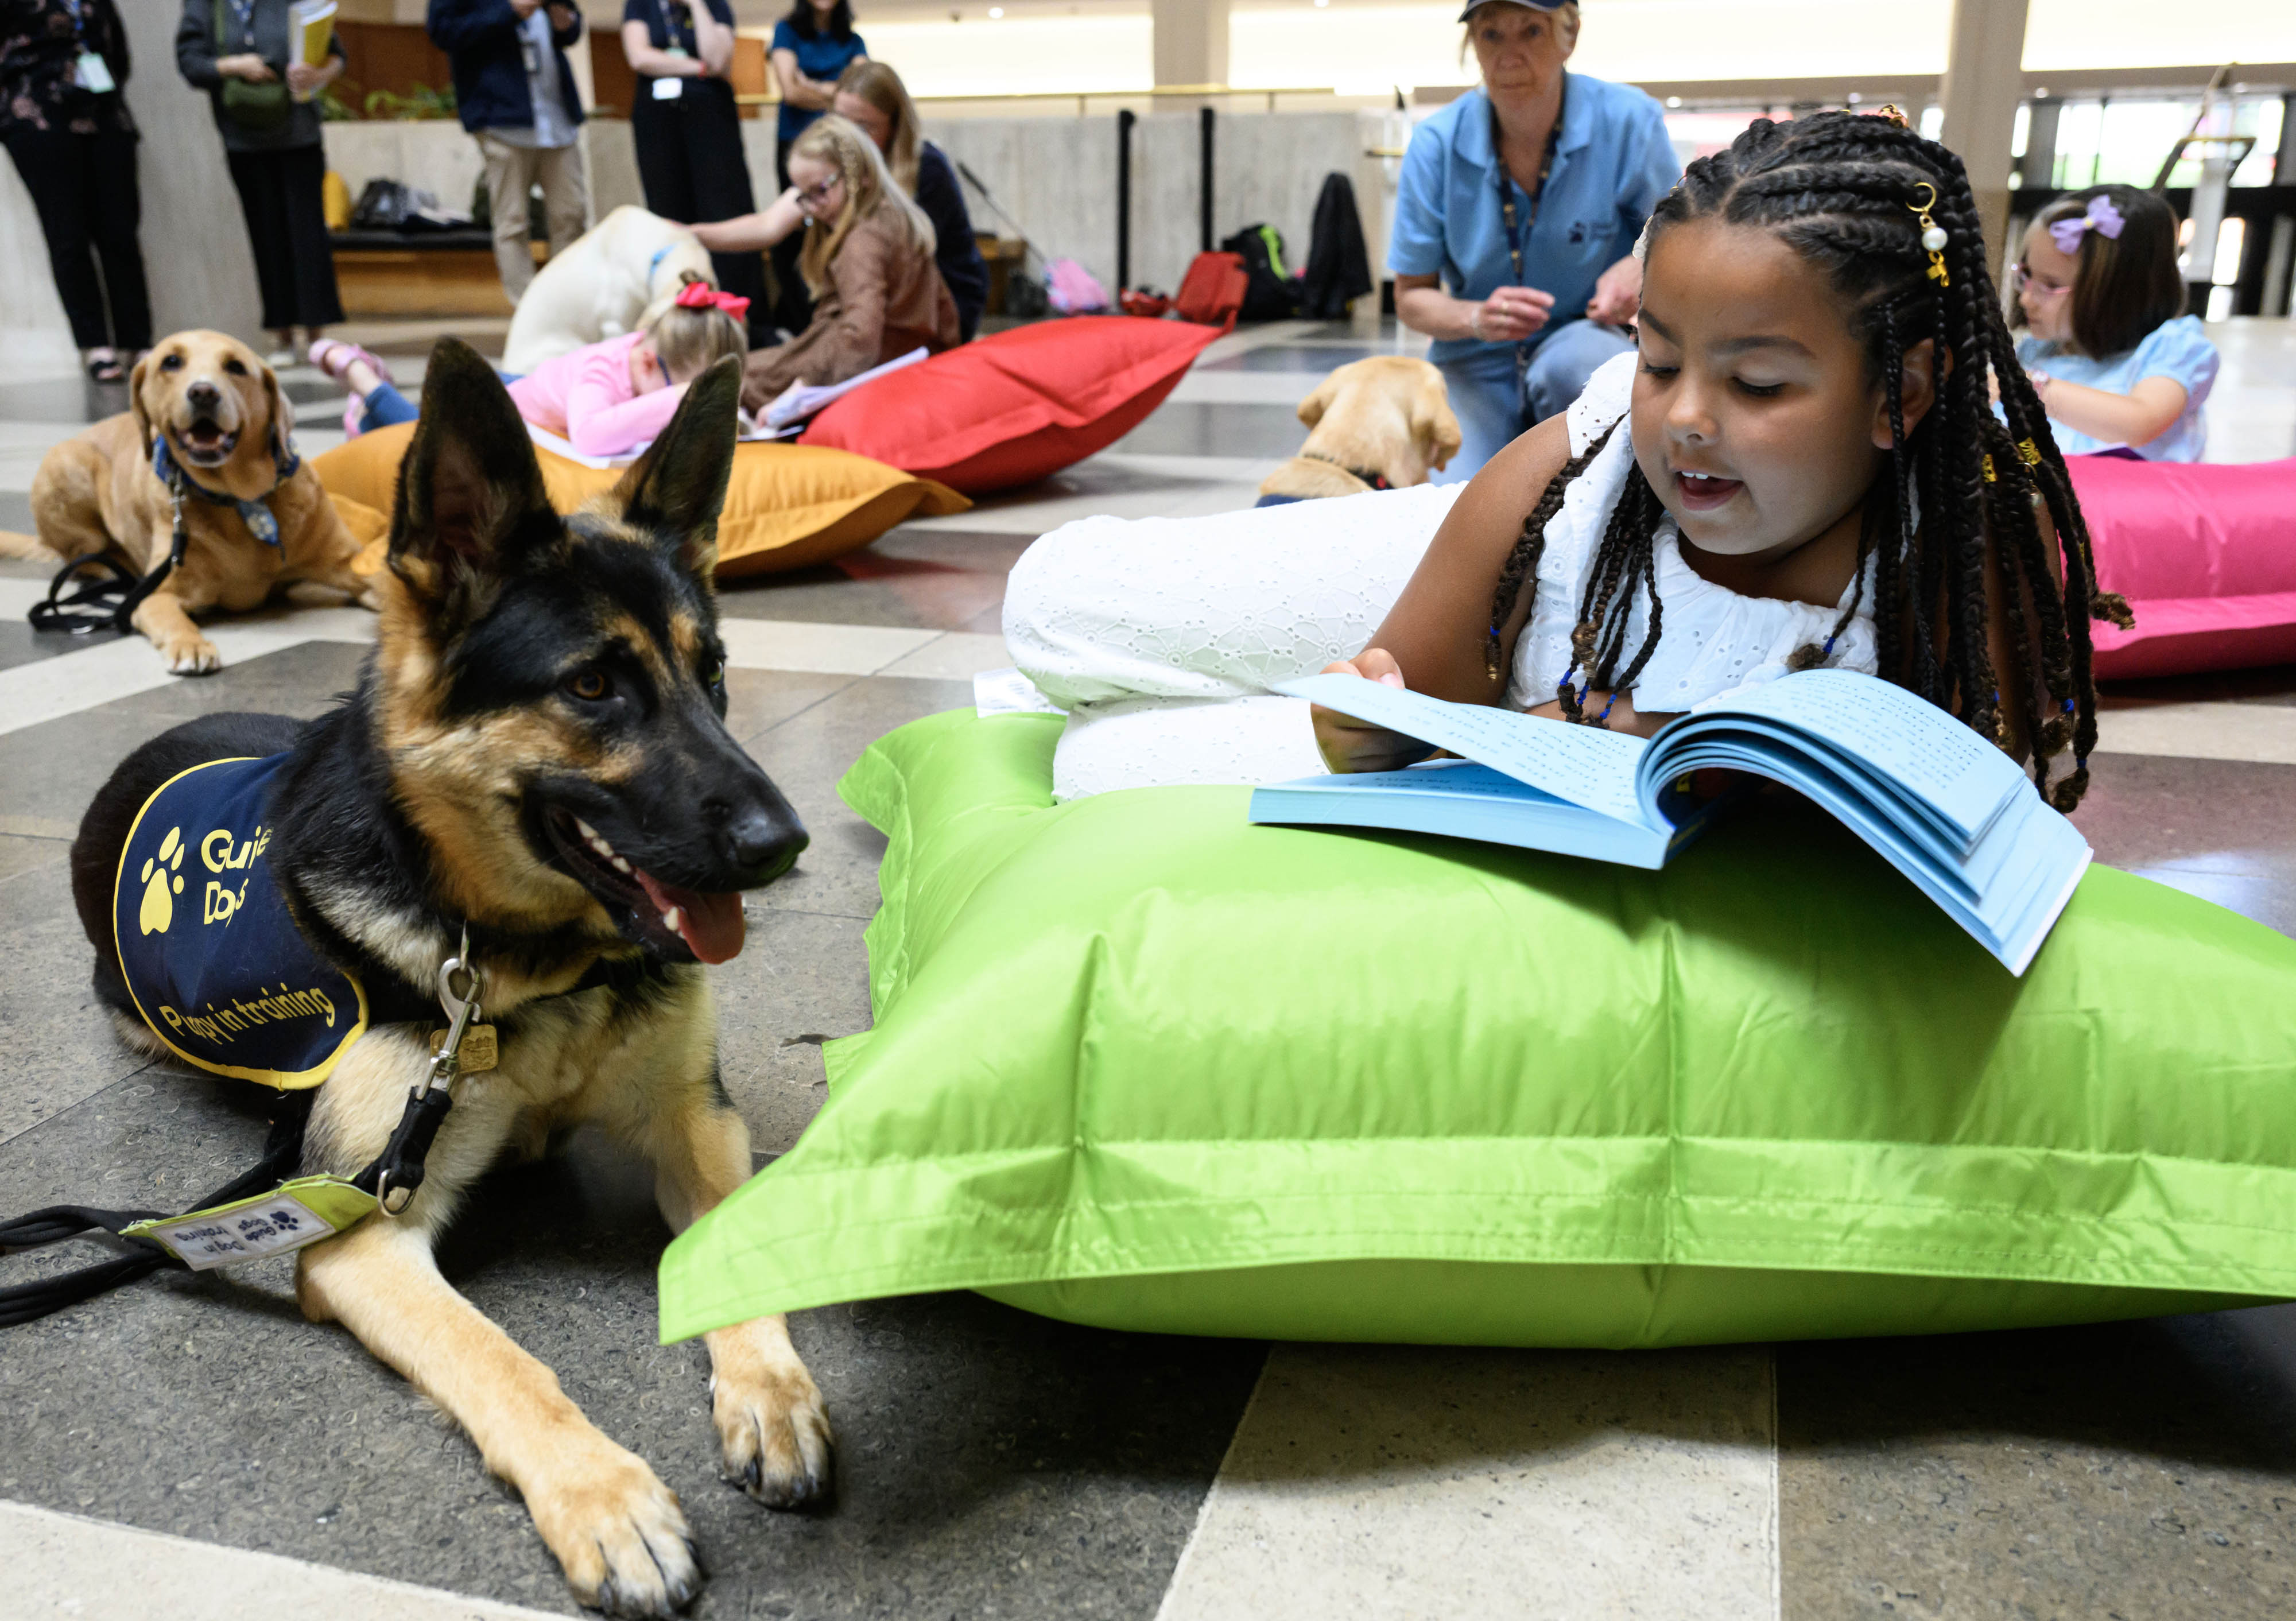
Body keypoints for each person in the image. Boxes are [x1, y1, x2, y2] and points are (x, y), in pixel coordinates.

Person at [1007, 110, 2125, 820]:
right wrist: (1377, 717)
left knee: (1101, 770)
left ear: (1900, 395)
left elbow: (1987, 803)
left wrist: (1583, 746)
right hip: (1513, 585)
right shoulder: (1595, 470)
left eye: (1757, 385)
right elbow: (1418, 687)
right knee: (1052, 599)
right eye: (1655, 358)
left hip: (1545, 723)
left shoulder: (1958, 556)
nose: (1684, 417)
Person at [1390, 0, 1678, 483]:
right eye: (1491, 35)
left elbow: (1678, 236)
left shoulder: (1629, 121)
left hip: (1583, 334)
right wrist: (1474, 317)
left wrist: (1639, 264)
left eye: (1531, 32)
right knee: (1458, 502)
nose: (1509, 55)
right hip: (1474, 354)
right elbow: (1411, 295)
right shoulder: (1436, 144)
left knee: (1612, 457)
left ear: (1570, 36)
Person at [311, 273, 748, 456]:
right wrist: (678, 398)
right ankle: (359, 374)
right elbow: (592, 437)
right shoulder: (603, 372)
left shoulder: (655, 353)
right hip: (497, 408)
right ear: (649, 363)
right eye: (682, 389)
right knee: (416, 436)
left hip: (531, 393)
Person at [724, 114, 956, 413]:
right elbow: (945, 314)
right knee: (743, 372)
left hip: (876, 366)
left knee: (735, 382)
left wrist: (800, 392)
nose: (814, 209)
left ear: (860, 175)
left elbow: (860, 338)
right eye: (804, 197)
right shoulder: (889, 218)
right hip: (891, 358)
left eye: (820, 191)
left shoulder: (863, 241)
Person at [177, 0, 347, 367]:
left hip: (299, 132)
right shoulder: (204, 6)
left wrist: (316, 75)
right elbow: (190, 63)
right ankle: (282, 333)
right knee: (265, 233)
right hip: (243, 137)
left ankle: (318, 334)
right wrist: (235, 65)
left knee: (307, 234)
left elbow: (335, 54)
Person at [2011, 184, 2219, 463]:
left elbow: (2139, 423)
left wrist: (2027, 387)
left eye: (2051, 285)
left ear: (2118, 293)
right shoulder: (2038, 352)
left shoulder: (2172, 349)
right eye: (2027, 274)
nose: (2026, 300)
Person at [1, 0, 152, 382]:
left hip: (106, 115)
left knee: (120, 232)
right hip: (38, 117)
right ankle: (95, 346)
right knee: (67, 235)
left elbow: (118, 53)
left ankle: (138, 341)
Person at [621, 0, 768, 339]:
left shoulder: (714, 6)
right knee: (668, 213)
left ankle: (743, 316)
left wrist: (696, 5)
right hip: (658, 125)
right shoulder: (640, 6)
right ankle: (679, 313)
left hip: (710, 122)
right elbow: (639, 58)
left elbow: (718, 59)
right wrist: (697, 68)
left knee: (725, 207)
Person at [427, 0, 589, 307]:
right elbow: (443, 32)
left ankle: (567, 307)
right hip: (501, 119)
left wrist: (567, 24)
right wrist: (509, 12)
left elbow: (572, 22)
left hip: (557, 119)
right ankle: (530, 313)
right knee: (512, 221)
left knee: (572, 215)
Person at [833, 59, 987, 340]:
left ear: (894, 126)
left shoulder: (927, 168)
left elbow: (906, 258)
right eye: (841, 123)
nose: (850, 139)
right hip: (892, 300)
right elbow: (772, 223)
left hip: (943, 303)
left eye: (865, 128)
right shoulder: (840, 163)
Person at [767, 0, 865, 332]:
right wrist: (836, 92)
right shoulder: (786, 32)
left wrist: (814, 86)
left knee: (840, 227)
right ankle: (800, 321)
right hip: (797, 148)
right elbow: (791, 91)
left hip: (839, 150)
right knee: (796, 230)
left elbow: (862, 93)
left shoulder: (853, 40)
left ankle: (840, 311)